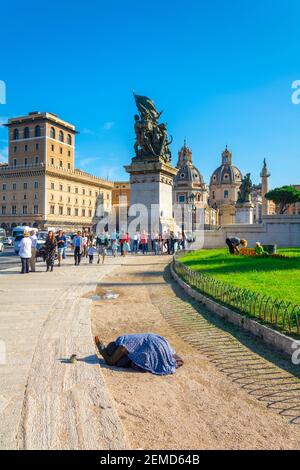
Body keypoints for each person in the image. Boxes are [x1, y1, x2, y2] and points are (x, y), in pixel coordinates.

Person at [95, 333, 184, 376]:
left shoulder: (122, 347)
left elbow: (110, 361)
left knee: (125, 362)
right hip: (157, 341)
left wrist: (100, 346)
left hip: (154, 345)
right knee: (126, 361)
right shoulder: (123, 339)